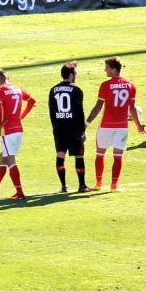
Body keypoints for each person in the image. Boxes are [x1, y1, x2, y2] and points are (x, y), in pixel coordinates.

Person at [85, 57, 146, 191]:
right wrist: (138, 125)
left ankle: (98, 184)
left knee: (100, 154)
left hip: (106, 126)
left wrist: (86, 123)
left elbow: (97, 107)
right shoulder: (131, 85)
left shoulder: (105, 85)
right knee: (118, 156)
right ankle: (114, 185)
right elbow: (133, 109)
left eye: (106, 67)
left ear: (113, 69)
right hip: (122, 127)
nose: (105, 70)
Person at [0, 69, 36, 201]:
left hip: (8, 130)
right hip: (19, 129)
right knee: (3, 157)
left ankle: (20, 192)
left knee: (10, 159)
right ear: (7, 77)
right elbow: (32, 101)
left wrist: (0, 123)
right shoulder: (17, 88)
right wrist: (21, 116)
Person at [49, 61, 90, 193]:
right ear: (71, 75)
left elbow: (52, 112)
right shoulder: (77, 90)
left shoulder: (53, 90)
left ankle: (64, 186)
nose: (76, 76)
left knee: (60, 155)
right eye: (76, 73)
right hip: (73, 128)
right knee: (79, 156)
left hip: (59, 127)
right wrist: (83, 130)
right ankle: (82, 185)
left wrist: (55, 127)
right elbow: (80, 112)